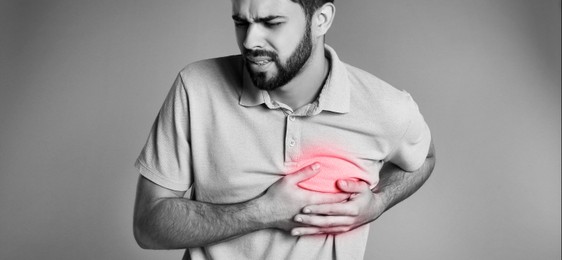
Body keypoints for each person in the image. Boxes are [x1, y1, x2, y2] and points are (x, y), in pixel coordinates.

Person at [133, 0, 436, 259]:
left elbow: (424, 159)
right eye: (241, 22)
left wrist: (379, 202)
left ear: (321, 20)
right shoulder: (196, 87)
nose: (250, 40)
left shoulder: (385, 107)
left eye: (271, 22)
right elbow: (148, 225)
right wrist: (262, 212)